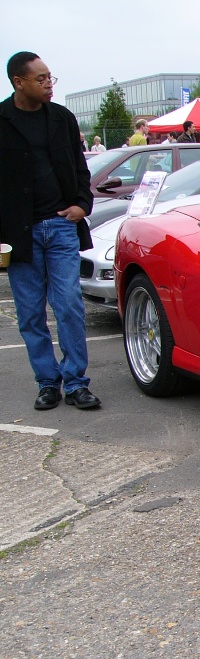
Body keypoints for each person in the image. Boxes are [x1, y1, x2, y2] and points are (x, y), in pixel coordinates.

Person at [0, 51, 100, 410]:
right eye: (41, 78)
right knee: (29, 313)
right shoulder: (2, 119)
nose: (48, 84)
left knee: (70, 305)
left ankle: (76, 383)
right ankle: (47, 382)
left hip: (61, 226)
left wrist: (81, 205)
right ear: (18, 82)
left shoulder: (62, 118)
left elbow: (79, 168)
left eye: (50, 77)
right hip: (19, 234)